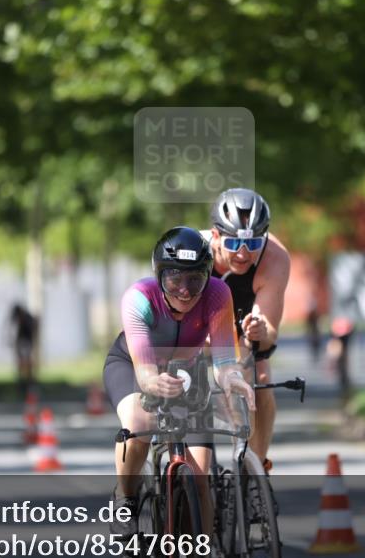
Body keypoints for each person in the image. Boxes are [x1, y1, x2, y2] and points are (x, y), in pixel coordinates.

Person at [103, 227, 256, 537]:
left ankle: (199, 556)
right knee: (139, 424)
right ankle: (125, 498)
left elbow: (224, 361)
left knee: (199, 478)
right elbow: (145, 373)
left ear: (208, 276)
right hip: (133, 365)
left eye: (195, 280)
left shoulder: (217, 294)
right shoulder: (138, 297)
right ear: (159, 275)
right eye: (175, 280)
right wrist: (151, 382)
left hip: (187, 370)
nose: (185, 291)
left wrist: (232, 377)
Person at [205, 188, 290, 471]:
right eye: (233, 243)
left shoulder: (275, 258)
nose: (243, 253)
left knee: (259, 376)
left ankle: (253, 468)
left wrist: (259, 331)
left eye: (253, 243)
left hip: (244, 324)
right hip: (201, 324)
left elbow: (269, 336)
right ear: (215, 236)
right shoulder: (194, 252)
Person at [8, 303, 38, 393]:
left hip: (26, 342)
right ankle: (22, 383)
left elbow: (32, 331)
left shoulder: (28, 318)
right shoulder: (19, 317)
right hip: (22, 342)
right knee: (21, 363)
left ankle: (30, 384)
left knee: (27, 363)